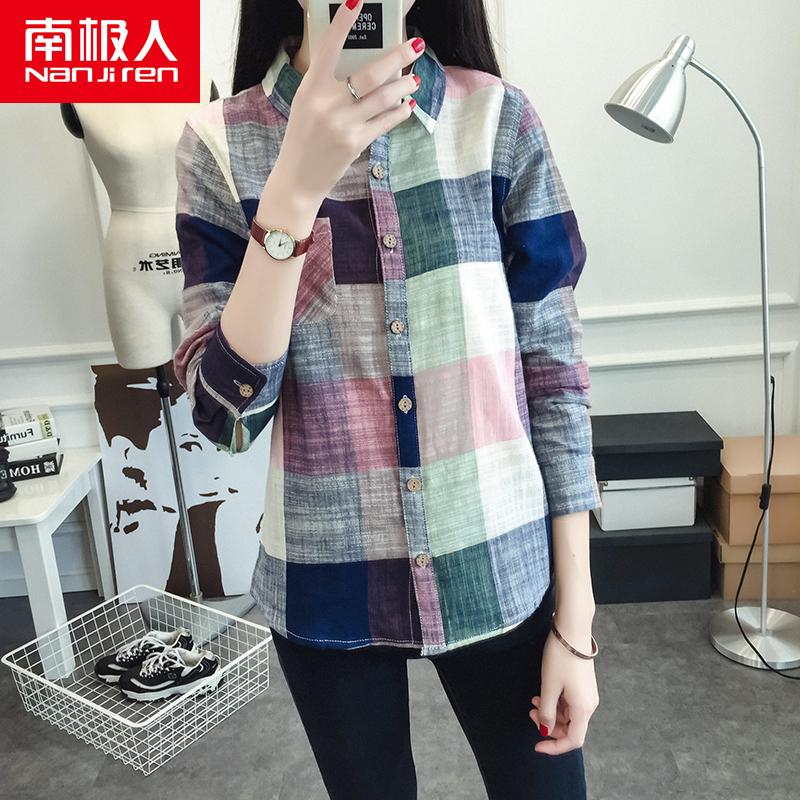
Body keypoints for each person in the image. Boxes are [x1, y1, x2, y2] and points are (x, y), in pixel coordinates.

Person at [173, 1, 602, 797]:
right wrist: (294, 191)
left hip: (499, 565)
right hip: (327, 579)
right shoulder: (219, 144)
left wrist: (575, 627)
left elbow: (554, 375)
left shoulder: (497, 121)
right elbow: (226, 419)